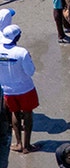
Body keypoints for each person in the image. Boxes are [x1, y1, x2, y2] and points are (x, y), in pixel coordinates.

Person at [0, 24, 37, 153]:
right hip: (25, 89)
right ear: (17, 37)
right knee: (27, 115)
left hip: (8, 89)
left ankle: (18, 143)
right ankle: (27, 145)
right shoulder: (22, 52)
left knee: (15, 113)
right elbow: (30, 71)